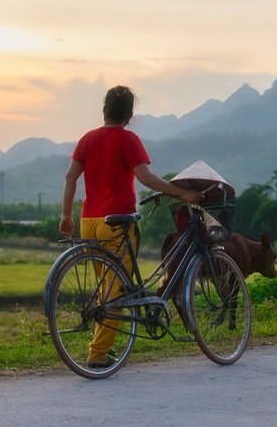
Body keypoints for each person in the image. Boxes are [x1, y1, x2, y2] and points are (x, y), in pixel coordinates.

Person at [59, 85, 202, 368]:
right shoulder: (128, 140)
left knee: (106, 290)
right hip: (117, 223)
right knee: (117, 293)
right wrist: (182, 193)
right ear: (129, 115)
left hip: (89, 222)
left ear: (104, 110)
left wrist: (67, 216)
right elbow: (146, 178)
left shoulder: (87, 139)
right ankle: (97, 354)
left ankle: (104, 346)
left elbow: (70, 177)